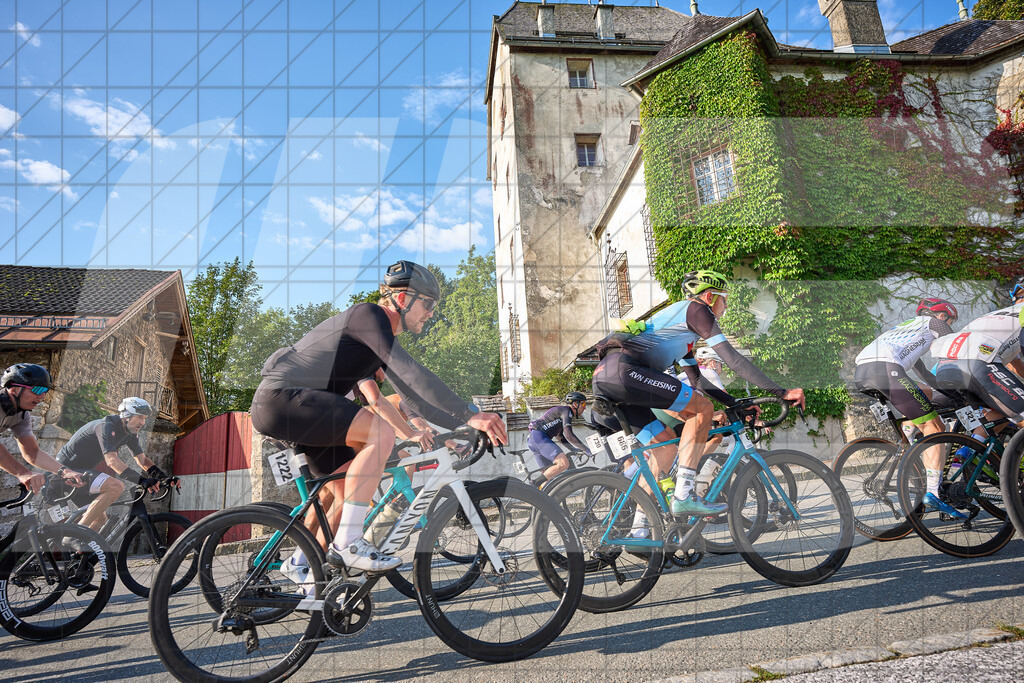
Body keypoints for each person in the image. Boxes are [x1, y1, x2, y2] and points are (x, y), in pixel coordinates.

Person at [250, 260, 507, 582]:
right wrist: (471, 413)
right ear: (402, 299)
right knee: (379, 433)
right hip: (281, 399)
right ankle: (348, 545)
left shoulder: (373, 345)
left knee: (344, 490)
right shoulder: (367, 315)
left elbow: (414, 398)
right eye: (428, 304)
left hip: (300, 411)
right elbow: (414, 374)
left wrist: (464, 424)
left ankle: (303, 567)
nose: (431, 313)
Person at [593, 270, 805, 518]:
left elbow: (697, 380)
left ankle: (640, 528)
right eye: (723, 299)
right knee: (702, 409)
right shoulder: (697, 311)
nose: (725, 306)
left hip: (608, 377)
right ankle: (684, 495)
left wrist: (734, 404)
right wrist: (782, 391)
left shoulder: (681, 329)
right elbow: (733, 359)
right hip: (626, 372)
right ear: (708, 297)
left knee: (664, 448)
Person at [854, 297, 963, 518]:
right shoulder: (932, 323)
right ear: (942, 316)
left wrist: (953, 394)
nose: (949, 325)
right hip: (886, 368)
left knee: (925, 392)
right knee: (935, 427)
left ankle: (910, 427)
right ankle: (933, 492)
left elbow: (928, 378)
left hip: (864, 372)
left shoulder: (906, 333)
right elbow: (954, 349)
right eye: (951, 320)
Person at [55, 397, 164, 532]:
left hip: (82, 476)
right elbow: (112, 461)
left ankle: (80, 551)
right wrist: (142, 480)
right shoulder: (106, 425)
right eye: (140, 418)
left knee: (100, 520)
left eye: (145, 418)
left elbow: (142, 460)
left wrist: (163, 477)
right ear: (126, 416)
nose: (143, 422)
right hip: (65, 472)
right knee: (115, 486)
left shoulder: (130, 432)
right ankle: (76, 534)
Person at [931, 282, 1024, 434]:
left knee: (1003, 411)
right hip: (977, 364)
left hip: (944, 368)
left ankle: (968, 453)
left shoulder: (996, 316)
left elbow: (1015, 364)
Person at [0, 363, 84, 493]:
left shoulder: (22, 415)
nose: (42, 396)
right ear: (14, 389)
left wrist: (65, 471)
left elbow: (32, 453)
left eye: (45, 391)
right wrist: (22, 473)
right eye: (38, 390)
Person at [526, 392, 588, 484]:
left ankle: (538, 495)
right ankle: (534, 482)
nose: (585, 407)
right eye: (583, 404)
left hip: (533, 439)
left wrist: (573, 449)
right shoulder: (567, 411)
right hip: (539, 437)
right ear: (575, 404)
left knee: (549, 478)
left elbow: (560, 436)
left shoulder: (562, 413)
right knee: (563, 463)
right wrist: (586, 449)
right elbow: (569, 435)